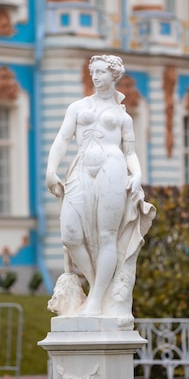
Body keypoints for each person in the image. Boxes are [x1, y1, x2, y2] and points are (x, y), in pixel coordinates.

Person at [46, 54, 155, 322]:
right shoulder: (77, 107)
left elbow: (129, 151)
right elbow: (62, 139)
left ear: (114, 75)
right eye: (92, 71)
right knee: (70, 234)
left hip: (112, 169)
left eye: (101, 72)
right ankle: (98, 287)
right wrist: (50, 170)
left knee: (107, 236)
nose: (95, 77)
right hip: (81, 168)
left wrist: (138, 174)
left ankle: (96, 301)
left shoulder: (122, 116)